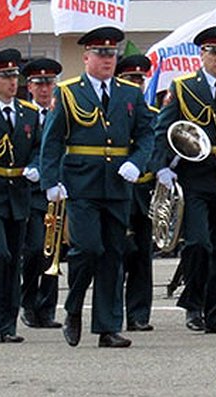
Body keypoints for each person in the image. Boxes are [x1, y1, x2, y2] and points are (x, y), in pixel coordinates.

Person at [40, 27, 155, 348]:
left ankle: (106, 327)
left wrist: (137, 161)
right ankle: (73, 307)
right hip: (82, 182)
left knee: (113, 255)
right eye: (101, 54)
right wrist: (51, 182)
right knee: (88, 248)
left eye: (112, 54)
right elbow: (52, 141)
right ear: (86, 57)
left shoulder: (129, 93)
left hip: (118, 184)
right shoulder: (68, 92)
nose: (108, 59)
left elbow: (147, 134)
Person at [152, 26, 216, 334]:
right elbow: (162, 129)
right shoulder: (183, 88)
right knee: (198, 242)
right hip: (193, 174)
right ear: (202, 54)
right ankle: (193, 302)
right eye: (214, 52)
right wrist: (160, 167)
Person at [0, 49, 41, 344]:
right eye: (5, 76)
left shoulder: (29, 113)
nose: (12, 82)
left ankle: (8, 324)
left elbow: (39, 149)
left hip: (19, 193)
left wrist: (35, 167)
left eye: (14, 76)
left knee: (13, 260)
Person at [114, 54, 158, 332]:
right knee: (117, 256)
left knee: (142, 256)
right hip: (118, 190)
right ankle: (113, 311)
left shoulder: (153, 115)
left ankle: (139, 314)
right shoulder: (113, 112)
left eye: (141, 79)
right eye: (131, 78)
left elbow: (159, 149)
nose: (137, 84)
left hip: (145, 193)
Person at [18, 57, 63, 330]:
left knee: (53, 253)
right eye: (39, 84)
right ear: (30, 87)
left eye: (49, 84)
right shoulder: (26, 114)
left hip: (58, 191)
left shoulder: (62, 112)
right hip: (33, 192)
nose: (45, 89)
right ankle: (28, 302)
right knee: (35, 249)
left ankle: (46, 308)